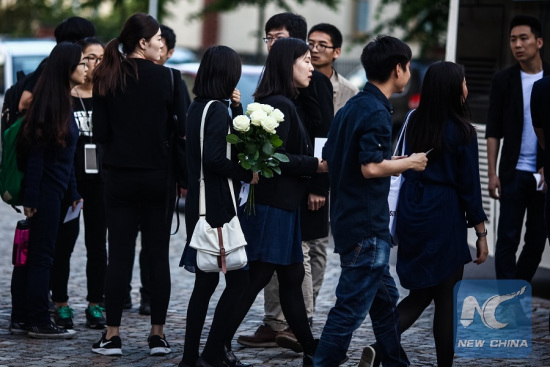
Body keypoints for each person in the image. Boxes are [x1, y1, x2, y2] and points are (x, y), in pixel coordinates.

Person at [314, 35, 427, 367]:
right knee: (349, 309)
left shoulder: (353, 105)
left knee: (386, 303)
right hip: (366, 226)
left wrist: (393, 160)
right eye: (407, 66)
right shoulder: (376, 111)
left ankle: (395, 362)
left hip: (350, 219)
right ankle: (322, 362)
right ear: (398, 69)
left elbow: (335, 159)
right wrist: (409, 162)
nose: (408, 73)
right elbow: (371, 167)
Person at [370, 61, 489, 367]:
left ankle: (381, 345)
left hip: (414, 210)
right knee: (446, 299)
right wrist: (481, 233)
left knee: (422, 293)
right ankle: (389, 347)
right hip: (444, 214)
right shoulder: (463, 131)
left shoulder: (413, 119)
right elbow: (469, 187)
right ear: (452, 87)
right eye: (463, 82)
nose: (466, 87)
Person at [224, 37, 327, 366]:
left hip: (282, 204)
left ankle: (312, 349)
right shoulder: (280, 103)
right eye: (306, 60)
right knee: (257, 277)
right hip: (273, 205)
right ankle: (217, 344)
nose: (312, 66)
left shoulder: (281, 100)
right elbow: (274, 159)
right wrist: (315, 165)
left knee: (293, 276)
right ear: (288, 64)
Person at [91, 13, 186, 356]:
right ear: (143, 42)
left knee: (118, 255)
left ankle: (112, 334)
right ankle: (157, 335)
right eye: (158, 37)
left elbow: (99, 134)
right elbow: (183, 135)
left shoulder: (105, 77)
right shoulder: (171, 80)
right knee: (157, 256)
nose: (162, 43)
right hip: (159, 178)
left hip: (118, 177)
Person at [177, 45, 258, 367]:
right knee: (237, 281)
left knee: (206, 281)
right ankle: (209, 351)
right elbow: (215, 157)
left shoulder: (199, 106)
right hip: (216, 206)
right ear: (227, 74)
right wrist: (245, 174)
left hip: (201, 204)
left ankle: (193, 356)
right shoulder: (216, 110)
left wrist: (237, 110)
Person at [10, 42, 87, 339]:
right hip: (44, 194)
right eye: (81, 63)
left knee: (33, 258)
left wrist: (74, 191)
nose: (85, 68)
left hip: (55, 191)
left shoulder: (61, 101)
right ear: (67, 68)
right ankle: (39, 320)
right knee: (41, 258)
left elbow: (63, 155)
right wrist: (31, 198)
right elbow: (37, 155)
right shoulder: (51, 104)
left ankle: (22, 318)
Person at [128, 23, 191, 316]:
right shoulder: (128, 77)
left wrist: (181, 176)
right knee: (127, 242)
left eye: (163, 44)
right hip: (144, 175)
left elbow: (183, 134)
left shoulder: (172, 79)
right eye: (156, 41)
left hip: (152, 175)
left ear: (170, 50)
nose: (159, 48)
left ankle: (148, 296)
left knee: (151, 243)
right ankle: (128, 301)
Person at [486, 15, 549, 282]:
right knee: (507, 240)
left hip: (543, 174)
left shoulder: (549, 80)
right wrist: (491, 172)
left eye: (524, 38)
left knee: (537, 240)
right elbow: (493, 129)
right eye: (513, 39)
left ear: (539, 42)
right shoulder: (503, 80)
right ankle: (507, 300)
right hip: (512, 173)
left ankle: (518, 288)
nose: (518, 44)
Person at [50, 37, 107, 330]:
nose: (94, 64)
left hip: (101, 182)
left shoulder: (110, 95)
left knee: (98, 245)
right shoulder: (65, 96)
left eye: (100, 58)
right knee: (64, 244)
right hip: (68, 182)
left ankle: (96, 303)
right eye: (89, 58)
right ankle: (59, 303)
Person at [18, 17, 96, 113]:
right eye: (89, 40)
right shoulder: (51, 66)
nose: (91, 44)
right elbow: (24, 103)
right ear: (78, 41)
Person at [308, 23, 359, 115]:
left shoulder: (350, 92)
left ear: (336, 52)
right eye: (311, 44)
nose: (314, 50)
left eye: (322, 45)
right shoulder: (296, 83)